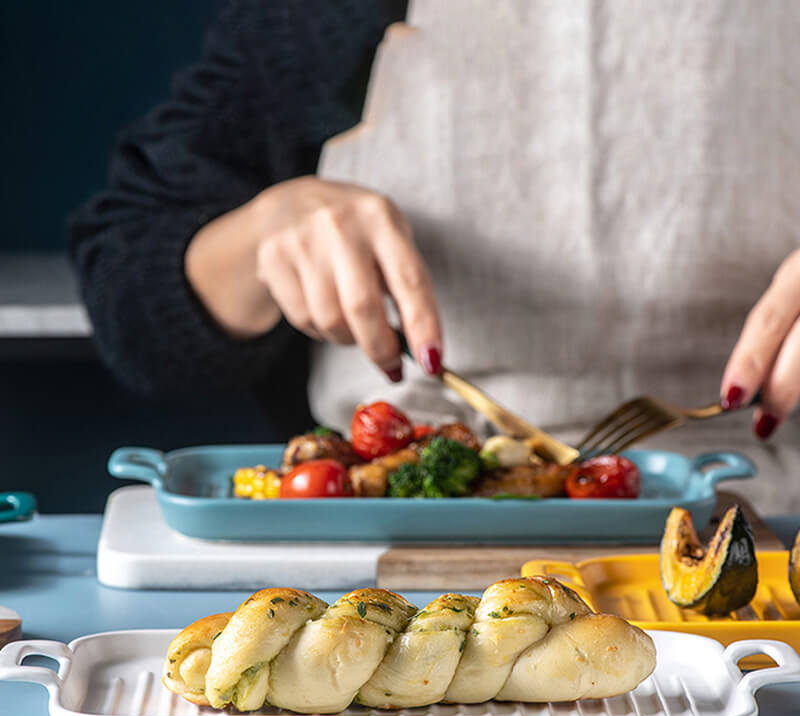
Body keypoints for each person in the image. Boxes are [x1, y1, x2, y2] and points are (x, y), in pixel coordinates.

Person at [69, 1, 800, 510]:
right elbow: (127, 286)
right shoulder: (319, 19)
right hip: (384, 530)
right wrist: (264, 235)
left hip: (766, 512)